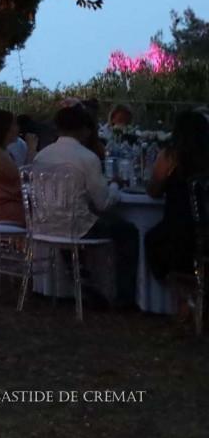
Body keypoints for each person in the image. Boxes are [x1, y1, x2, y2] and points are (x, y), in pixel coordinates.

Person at [32, 104, 138, 308]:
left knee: (76, 219)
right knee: (127, 231)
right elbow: (103, 203)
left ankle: (83, 280)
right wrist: (115, 185)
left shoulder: (41, 156)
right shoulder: (87, 158)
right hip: (76, 227)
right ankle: (125, 296)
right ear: (84, 129)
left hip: (44, 223)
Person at [145, 110, 209, 285]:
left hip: (177, 236)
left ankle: (175, 293)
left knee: (151, 239)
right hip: (203, 236)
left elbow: (153, 191)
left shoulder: (170, 157)